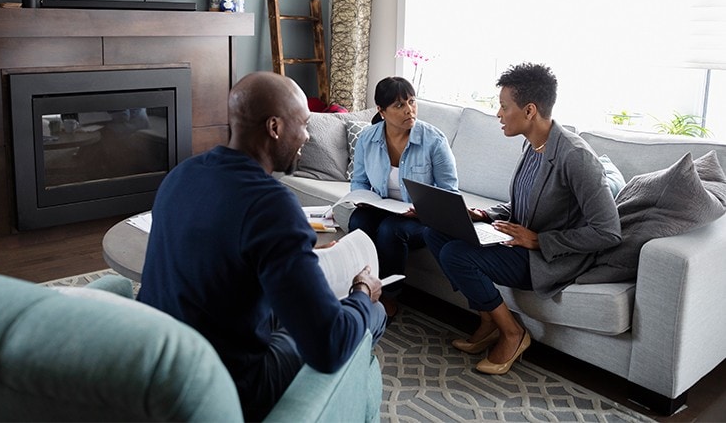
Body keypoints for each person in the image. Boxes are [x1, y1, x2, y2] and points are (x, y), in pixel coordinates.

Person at [138, 71, 387, 420]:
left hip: (160, 361)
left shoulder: (182, 174)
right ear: (274, 128)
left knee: (304, 308)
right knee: (368, 315)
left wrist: (297, 258)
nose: (306, 135)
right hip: (230, 384)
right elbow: (326, 348)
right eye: (302, 125)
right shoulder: (272, 204)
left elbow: (225, 253)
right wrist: (362, 292)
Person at [424, 62, 621, 375]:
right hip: (520, 241)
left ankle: (512, 333)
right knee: (435, 232)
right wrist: (484, 214)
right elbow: (522, 203)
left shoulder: (576, 157)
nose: (499, 115)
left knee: (455, 254)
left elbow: (608, 232)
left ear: (530, 110)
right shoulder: (533, 145)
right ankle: (488, 321)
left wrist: (539, 240)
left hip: (547, 257)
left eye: (504, 107)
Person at [348, 76, 458, 317]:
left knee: (390, 229)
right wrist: (359, 197)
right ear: (381, 111)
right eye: (399, 105)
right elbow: (358, 180)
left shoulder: (434, 140)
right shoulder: (368, 138)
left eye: (411, 101)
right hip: (382, 206)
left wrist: (424, 209)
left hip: (421, 216)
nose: (409, 110)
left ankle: (389, 296)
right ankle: (361, 288)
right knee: (358, 221)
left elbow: (449, 192)